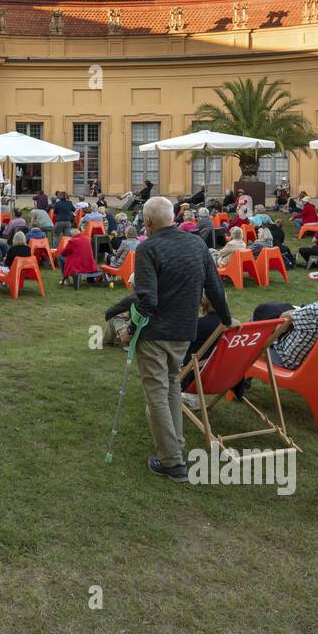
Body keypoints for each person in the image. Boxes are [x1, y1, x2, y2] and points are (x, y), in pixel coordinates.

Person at [132, 196, 236, 480]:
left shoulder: (148, 248)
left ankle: (172, 461)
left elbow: (147, 299)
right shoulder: (196, 244)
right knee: (171, 387)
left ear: (148, 222)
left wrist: (131, 325)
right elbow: (215, 287)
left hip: (155, 333)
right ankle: (175, 447)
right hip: (183, 332)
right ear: (174, 218)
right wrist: (227, 320)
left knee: (157, 394)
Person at [255, 266, 318, 370]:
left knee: (262, 315)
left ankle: (244, 377)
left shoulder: (315, 311)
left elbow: (285, 317)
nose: (317, 287)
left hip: (288, 360)